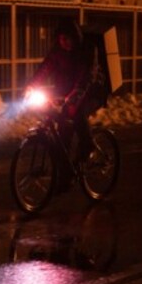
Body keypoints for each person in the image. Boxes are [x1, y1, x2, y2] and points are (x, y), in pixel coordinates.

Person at [27, 18, 95, 180]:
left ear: (75, 37)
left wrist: (76, 94)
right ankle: (66, 177)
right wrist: (32, 86)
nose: (65, 42)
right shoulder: (57, 52)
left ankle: (88, 147)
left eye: (68, 38)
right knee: (63, 136)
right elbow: (45, 68)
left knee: (77, 115)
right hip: (64, 95)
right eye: (62, 39)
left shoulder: (86, 50)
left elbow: (86, 75)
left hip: (88, 93)